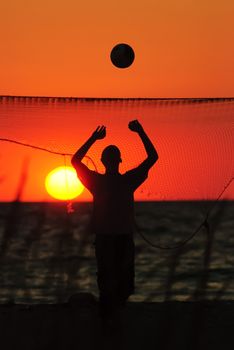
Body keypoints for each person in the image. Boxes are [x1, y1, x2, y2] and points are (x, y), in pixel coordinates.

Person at [71, 120, 158, 320]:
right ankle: (112, 315)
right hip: (113, 238)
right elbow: (153, 157)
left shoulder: (101, 181)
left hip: (114, 237)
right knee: (116, 281)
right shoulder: (123, 179)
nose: (111, 160)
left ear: (106, 161)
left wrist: (94, 138)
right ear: (118, 160)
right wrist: (140, 132)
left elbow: (76, 161)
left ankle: (111, 315)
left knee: (114, 281)